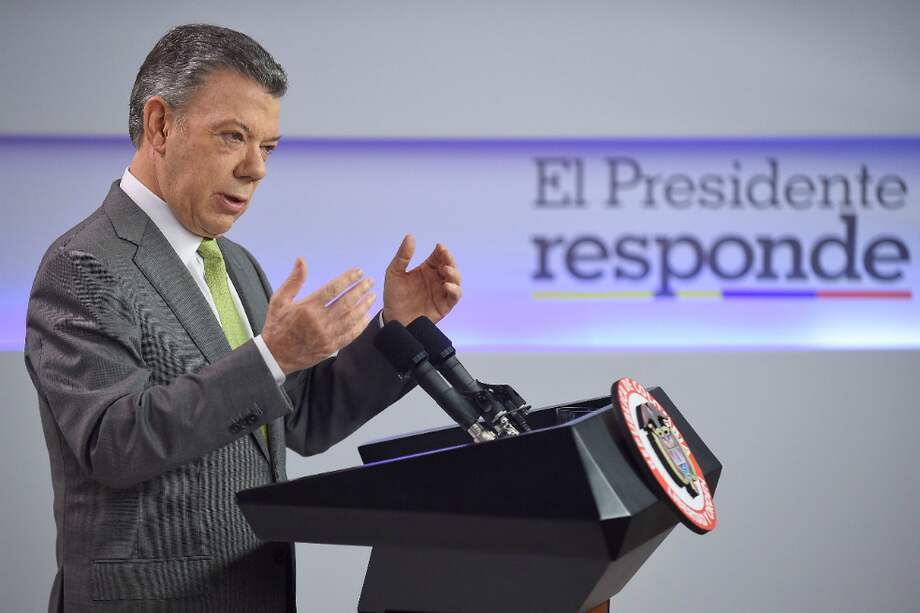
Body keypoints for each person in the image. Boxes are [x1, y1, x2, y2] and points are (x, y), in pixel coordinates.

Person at [24, 24, 462, 613]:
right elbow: (114, 443)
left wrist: (397, 330)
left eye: (269, 147)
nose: (256, 169)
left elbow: (297, 420)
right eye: (234, 137)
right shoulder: (82, 264)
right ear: (160, 125)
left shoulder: (236, 264)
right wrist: (273, 357)